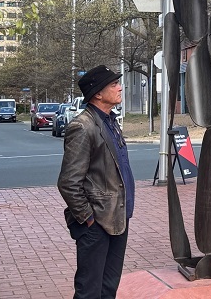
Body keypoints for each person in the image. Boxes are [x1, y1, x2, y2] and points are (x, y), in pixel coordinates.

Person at [57, 65, 134, 299]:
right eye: (113, 84)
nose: (120, 87)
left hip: (118, 217)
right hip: (97, 222)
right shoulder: (82, 126)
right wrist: (88, 218)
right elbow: (69, 182)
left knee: (108, 288)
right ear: (98, 94)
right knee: (89, 291)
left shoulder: (110, 121)